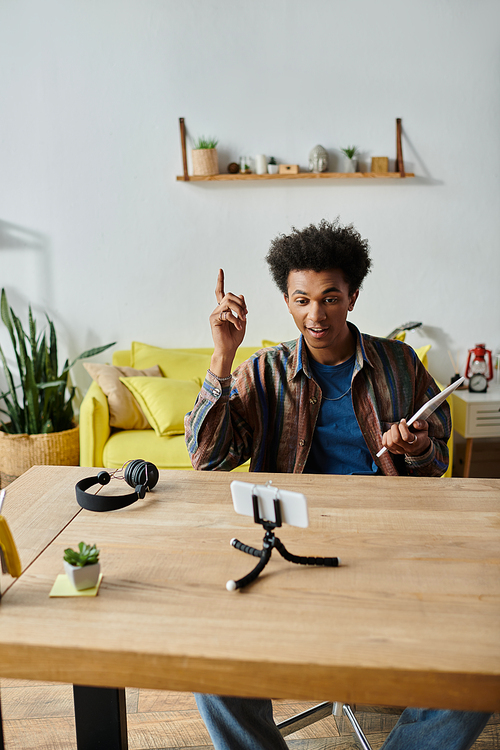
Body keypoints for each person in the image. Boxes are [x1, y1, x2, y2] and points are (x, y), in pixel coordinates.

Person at [184, 219, 490, 750]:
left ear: (352, 297)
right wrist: (222, 357)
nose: (316, 314)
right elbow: (209, 458)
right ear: (286, 301)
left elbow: (436, 461)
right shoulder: (265, 371)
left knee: (484, 664)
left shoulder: (399, 364)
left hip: (394, 541)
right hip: (290, 543)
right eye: (302, 300)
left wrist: (416, 448)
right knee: (207, 666)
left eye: (330, 298)